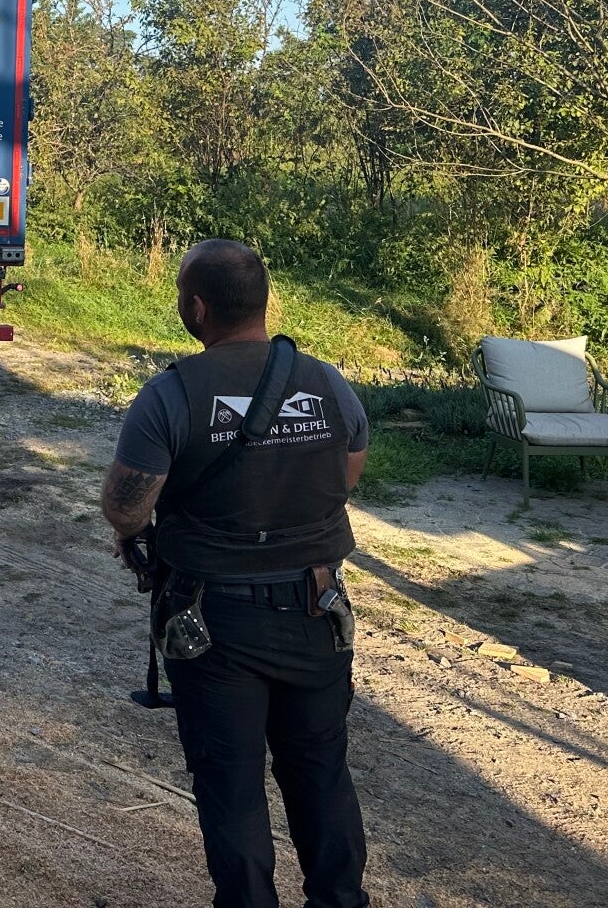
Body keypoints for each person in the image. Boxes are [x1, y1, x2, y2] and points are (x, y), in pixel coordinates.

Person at [100, 239, 369, 908]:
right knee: (321, 775)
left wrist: (145, 534)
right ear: (262, 301)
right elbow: (345, 475)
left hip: (214, 621)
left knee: (231, 785)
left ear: (196, 308)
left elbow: (126, 508)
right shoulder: (328, 382)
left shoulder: (171, 394)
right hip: (317, 609)